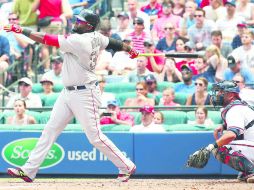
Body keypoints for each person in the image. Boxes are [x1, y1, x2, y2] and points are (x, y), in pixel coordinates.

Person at [4, 8, 138, 183]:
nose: (76, 23)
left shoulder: (79, 40)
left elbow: (46, 39)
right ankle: (29, 170)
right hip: (68, 92)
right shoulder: (96, 36)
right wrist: (128, 48)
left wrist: (22, 30)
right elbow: (112, 42)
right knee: (50, 129)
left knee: (95, 137)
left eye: (81, 22)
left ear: (89, 26)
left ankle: (126, 165)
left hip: (85, 92)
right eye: (77, 20)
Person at [203, 80, 254, 183]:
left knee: (220, 147)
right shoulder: (238, 107)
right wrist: (224, 125)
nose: (217, 95)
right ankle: (248, 170)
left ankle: (251, 170)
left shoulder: (234, 109)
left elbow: (231, 135)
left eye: (221, 92)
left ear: (230, 95)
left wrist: (210, 147)